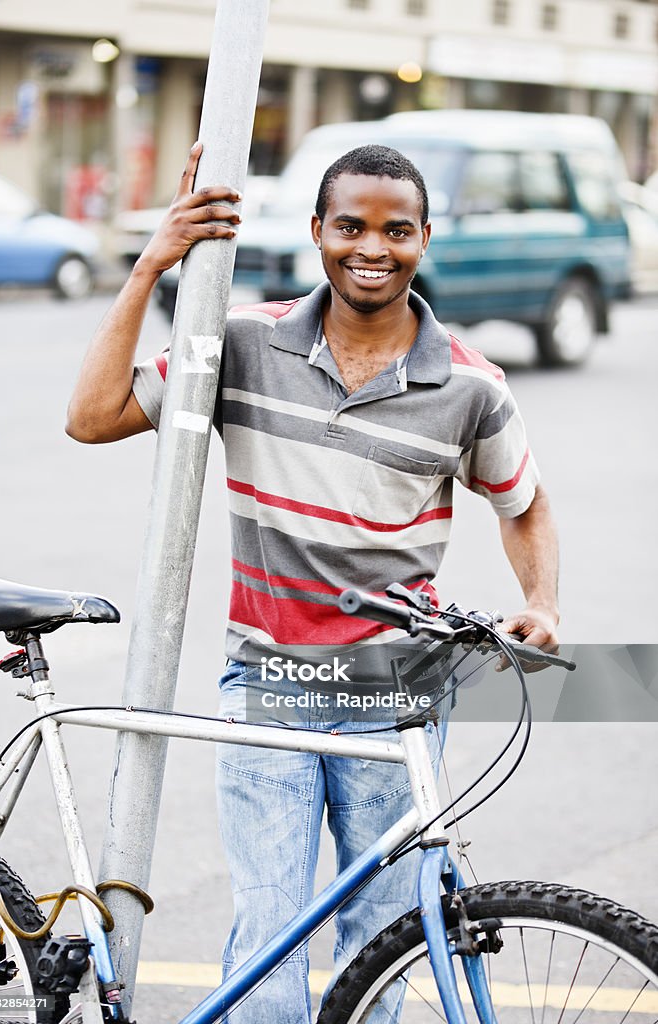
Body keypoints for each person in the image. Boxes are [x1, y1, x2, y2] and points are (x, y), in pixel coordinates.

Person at [66, 141, 559, 1023]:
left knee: (384, 933)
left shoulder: (472, 387)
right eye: (351, 227)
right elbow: (92, 417)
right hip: (269, 681)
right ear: (317, 232)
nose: (372, 247)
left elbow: (521, 503)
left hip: (395, 690)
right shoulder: (246, 343)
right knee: (272, 929)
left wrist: (541, 602)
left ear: (424, 238)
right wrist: (152, 266)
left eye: (395, 230)